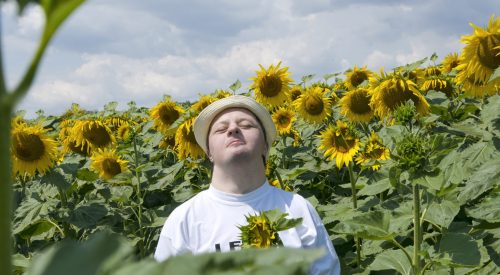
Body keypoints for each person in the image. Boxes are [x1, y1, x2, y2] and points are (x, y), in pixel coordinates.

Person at [154, 95, 341, 274]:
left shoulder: (297, 208)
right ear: (208, 152)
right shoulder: (185, 220)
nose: (233, 129)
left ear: (265, 146)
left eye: (246, 125)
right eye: (221, 129)